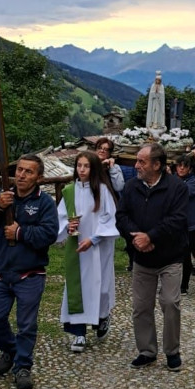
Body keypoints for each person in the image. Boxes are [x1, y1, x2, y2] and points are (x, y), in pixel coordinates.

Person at [0, 154, 59, 389]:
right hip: (1, 272)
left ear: (39, 177)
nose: (22, 175)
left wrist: (21, 233)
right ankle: (10, 350)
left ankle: (23, 366)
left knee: (26, 324)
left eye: (28, 172)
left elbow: (50, 234)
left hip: (30, 273)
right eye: (20, 170)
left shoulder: (44, 202)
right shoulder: (4, 197)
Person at [116, 143, 189, 371]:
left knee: (170, 302)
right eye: (137, 160)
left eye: (142, 161)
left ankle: (172, 352)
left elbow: (177, 220)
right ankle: (147, 351)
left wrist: (151, 237)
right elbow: (121, 216)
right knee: (141, 306)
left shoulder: (177, 188)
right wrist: (136, 239)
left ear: (157, 165)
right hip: (142, 258)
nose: (136, 166)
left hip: (170, 257)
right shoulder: (131, 187)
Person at [56, 151, 119, 353]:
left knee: (100, 288)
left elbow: (109, 219)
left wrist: (93, 240)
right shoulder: (69, 191)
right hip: (78, 250)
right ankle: (79, 333)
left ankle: (102, 317)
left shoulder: (102, 190)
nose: (81, 170)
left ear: (94, 169)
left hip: (98, 247)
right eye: (79, 165)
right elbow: (60, 218)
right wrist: (68, 225)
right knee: (78, 288)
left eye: (86, 166)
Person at [175, 154, 195, 295]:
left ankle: (184, 285)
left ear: (190, 169)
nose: (181, 169)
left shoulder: (194, 183)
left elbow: (184, 192)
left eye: (184, 166)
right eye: (179, 166)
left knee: (185, 256)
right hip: (173, 224)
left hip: (189, 225)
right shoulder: (172, 180)